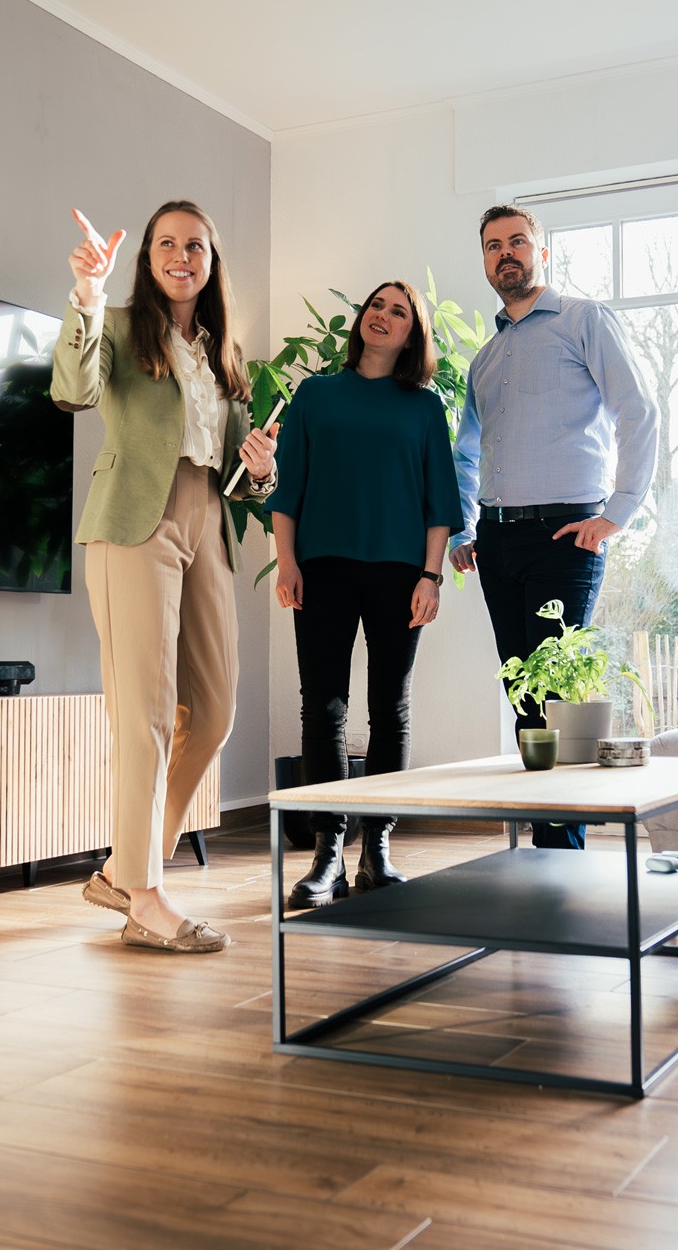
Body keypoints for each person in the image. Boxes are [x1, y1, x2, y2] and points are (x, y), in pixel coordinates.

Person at [53, 200, 277, 953]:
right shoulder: (117, 325)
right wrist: (87, 295)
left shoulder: (224, 353)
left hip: (206, 522)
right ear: (147, 256)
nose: (182, 255)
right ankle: (144, 896)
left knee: (211, 714)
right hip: (133, 524)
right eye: (167, 244)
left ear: (213, 260)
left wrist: (261, 470)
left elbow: (241, 472)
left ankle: (123, 864)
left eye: (196, 245)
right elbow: (74, 390)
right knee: (144, 713)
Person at [449, 206, 658, 849]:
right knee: (522, 687)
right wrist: (464, 531)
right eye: (493, 246)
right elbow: (465, 453)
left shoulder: (583, 320)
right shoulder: (485, 359)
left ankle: (562, 844)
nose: (505, 254)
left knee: (558, 690)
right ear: (484, 261)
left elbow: (638, 409)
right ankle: (548, 835)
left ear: (543, 251)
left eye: (517, 242)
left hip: (567, 534)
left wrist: (617, 512)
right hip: (498, 538)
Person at [266, 281, 460, 907]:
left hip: (400, 575)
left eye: (399, 312)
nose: (383, 316)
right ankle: (328, 854)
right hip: (320, 568)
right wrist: (286, 562)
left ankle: (377, 849)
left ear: (412, 335)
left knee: (389, 709)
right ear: (362, 320)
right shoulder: (314, 395)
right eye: (377, 306)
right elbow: (288, 489)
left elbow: (440, 503)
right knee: (321, 706)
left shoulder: (424, 407)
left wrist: (430, 576)